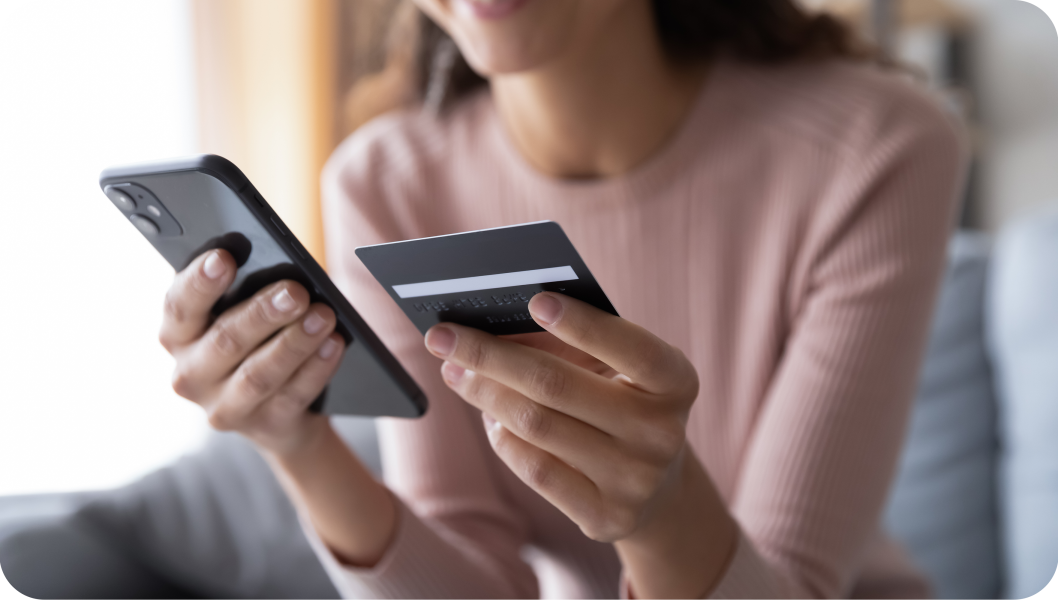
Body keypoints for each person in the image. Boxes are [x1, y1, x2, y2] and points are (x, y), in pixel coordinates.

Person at [159, 0, 965, 598]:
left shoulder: (876, 149)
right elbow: (474, 572)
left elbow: (793, 581)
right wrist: (299, 447)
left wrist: (661, 514)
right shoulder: (385, 183)